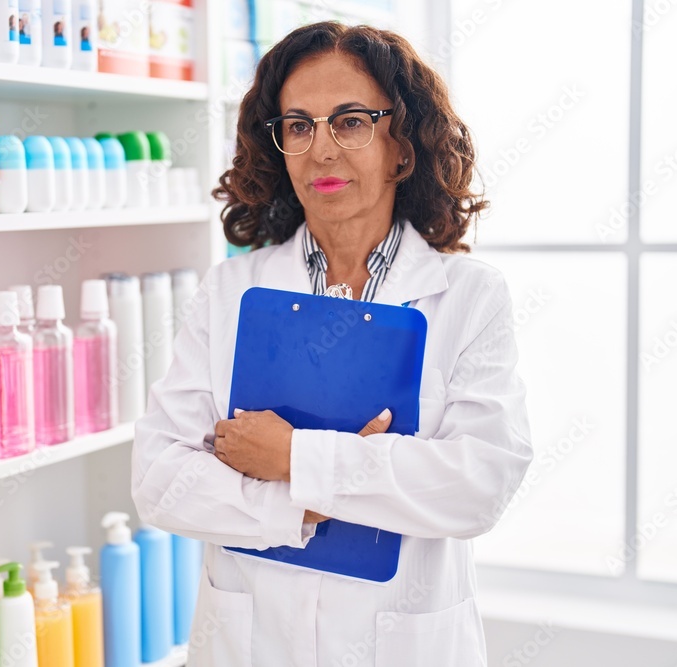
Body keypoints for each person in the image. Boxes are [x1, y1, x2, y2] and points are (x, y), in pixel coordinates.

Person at [132, 21, 532, 667]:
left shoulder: (468, 297)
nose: (321, 149)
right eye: (298, 125)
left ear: (401, 148)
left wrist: (292, 456)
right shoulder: (231, 290)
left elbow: (477, 482)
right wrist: (310, 501)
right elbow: (159, 479)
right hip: (249, 642)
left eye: (350, 122)